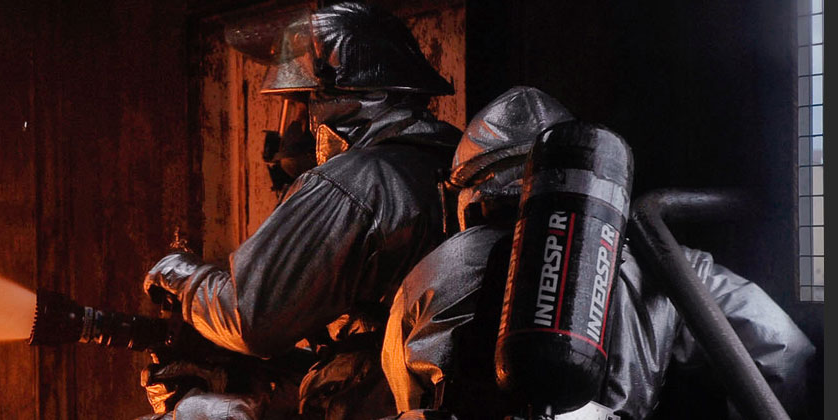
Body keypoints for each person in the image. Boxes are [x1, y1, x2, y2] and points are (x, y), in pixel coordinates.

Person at [378, 86, 816, 419]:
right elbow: (784, 350)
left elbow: (407, 395)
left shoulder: (429, 274)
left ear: (470, 186)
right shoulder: (666, 262)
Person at [137, 3, 460, 418]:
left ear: (347, 99)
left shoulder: (356, 180)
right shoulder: (445, 161)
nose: (292, 128)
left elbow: (250, 318)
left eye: (302, 104)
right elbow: (372, 337)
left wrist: (180, 274)